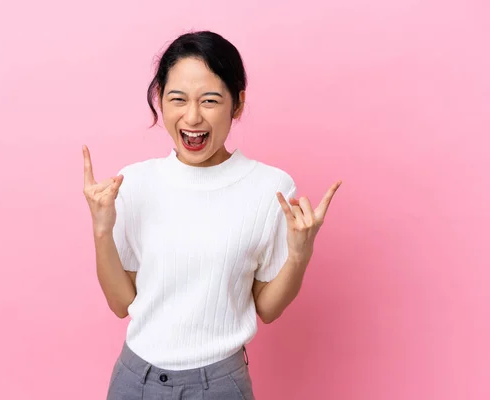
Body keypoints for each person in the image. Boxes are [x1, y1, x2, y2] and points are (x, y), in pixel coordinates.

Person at [83, 31, 341, 400]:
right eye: (177, 99)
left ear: (237, 105)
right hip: (133, 380)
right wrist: (102, 231)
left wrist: (300, 255)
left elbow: (267, 308)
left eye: (210, 100)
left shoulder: (271, 187)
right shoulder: (135, 182)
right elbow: (121, 304)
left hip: (219, 384)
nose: (192, 116)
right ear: (160, 101)